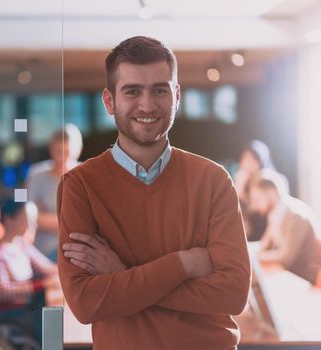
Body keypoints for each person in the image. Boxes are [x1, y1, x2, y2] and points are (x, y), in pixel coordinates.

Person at [57, 36, 251, 350]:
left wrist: (123, 275)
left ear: (176, 96)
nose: (147, 105)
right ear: (109, 101)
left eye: (159, 90)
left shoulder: (214, 180)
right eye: (132, 91)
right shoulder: (80, 185)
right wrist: (183, 265)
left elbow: (233, 293)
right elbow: (86, 303)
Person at [0, 200, 58, 344]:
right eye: (24, 219)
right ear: (9, 220)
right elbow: (1, 291)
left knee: (55, 316)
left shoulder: (22, 245)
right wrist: (40, 285)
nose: (29, 225)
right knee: (52, 322)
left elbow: (47, 267)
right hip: (4, 312)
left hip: (23, 307)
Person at [249, 170, 321, 284]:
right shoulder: (275, 214)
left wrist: (254, 256)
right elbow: (264, 244)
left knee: (258, 283)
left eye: (257, 199)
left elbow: (286, 258)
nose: (254, 206)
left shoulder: (295, 215)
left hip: (304, 278)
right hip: (290, 273)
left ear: (271, 192)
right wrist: (247, 251)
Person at [27, 124, 83, 261]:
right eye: (58, 151)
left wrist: (43, 217)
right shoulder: (36, 174)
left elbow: (84, 222)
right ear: (51, 148)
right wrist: (67, 222)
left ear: (78, 150)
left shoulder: (85, 174)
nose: (62, 158)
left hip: (77, 249)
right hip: (43, 250)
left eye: (67, 152)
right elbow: (27, 218)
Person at [234, 140, 289, 241]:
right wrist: (239, 191)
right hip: (251, 236)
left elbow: (278, 211)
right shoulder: (241, 183)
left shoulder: (273, 180)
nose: (247, 164)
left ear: (261, 161)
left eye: (252, 160)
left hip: (271, 230)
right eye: (244, 159)